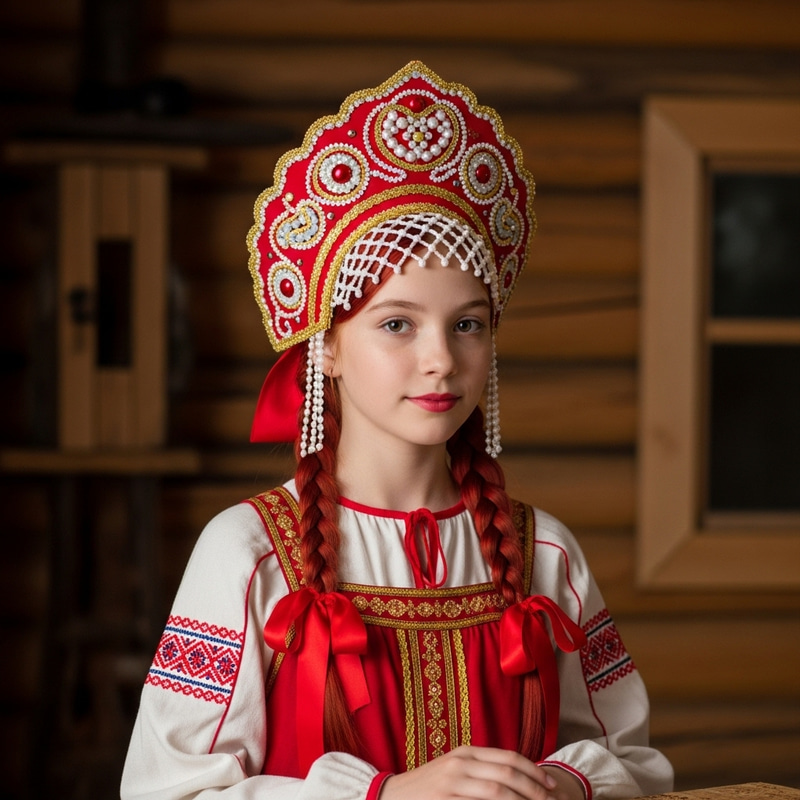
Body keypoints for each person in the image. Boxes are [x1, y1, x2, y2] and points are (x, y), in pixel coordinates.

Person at [121, 61, 673, 800]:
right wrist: (383, 796)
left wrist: (561, 786)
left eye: (467, 324)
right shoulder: (249, 554)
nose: (441, 359)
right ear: (326, 346)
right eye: (397, 324)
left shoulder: (544, 553)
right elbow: (164, 792)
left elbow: (637, 765)